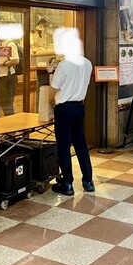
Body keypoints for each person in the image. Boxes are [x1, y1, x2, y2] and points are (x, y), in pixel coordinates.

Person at [49, 36, 94, 196]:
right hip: (79, 107)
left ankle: (67, 183)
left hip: (64, 108)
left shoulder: (64, 65)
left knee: (63, 146)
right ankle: (88, 181)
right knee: (80, 144)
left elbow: (54, 86)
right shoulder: (87, 63)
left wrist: (51, 71)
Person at [0, 39, 20, 115]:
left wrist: (1, 64)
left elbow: (16, 60)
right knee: (4, 103)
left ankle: (11, 120)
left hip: (8, 76)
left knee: (7, 103)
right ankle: (9, 120)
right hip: (2, 76)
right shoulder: (0, 44)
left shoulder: (10, 44)